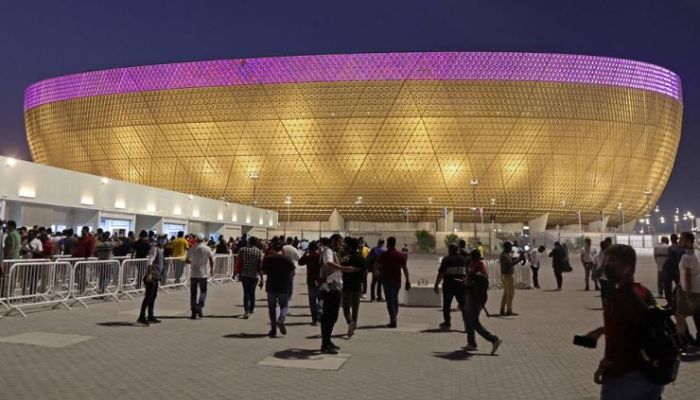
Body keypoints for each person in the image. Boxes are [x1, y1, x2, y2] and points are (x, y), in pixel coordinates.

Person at [583, 244, 664, 399]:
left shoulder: (616, 298)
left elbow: (616, 344)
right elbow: (636, 325)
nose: (607, 266)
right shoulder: (643, 291)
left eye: (612, 262)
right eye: (606, 262)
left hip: (624, 376)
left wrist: (602, 368)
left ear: (627, 267)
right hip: (651, 375)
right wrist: (602, 330)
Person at [319, 234, 354, 353]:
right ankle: (325, 344)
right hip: (330, 288)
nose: (341, 245)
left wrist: (341, 261)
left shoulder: (330, 251)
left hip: (334, 287)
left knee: (332, 317)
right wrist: (344, 268)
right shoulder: (328, 251)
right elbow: (328, 263)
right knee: (329, 317)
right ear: (334, 241)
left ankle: (327, 341)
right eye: (340, 242)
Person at [463, 249, 502, 354]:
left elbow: (467, 281)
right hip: (481, 297)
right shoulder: (481, 265)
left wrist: (466, 274)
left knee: (473, 321)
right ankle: (471, 343)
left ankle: (493, 339)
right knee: (468, 318)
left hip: (473, 298)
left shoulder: (473, 266)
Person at [375, 236, 411, 328]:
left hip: (387, 280)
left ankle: (393, 320)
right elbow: (405, 269)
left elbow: (377, 265)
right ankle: (394, 317)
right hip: (397, 281)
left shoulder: (384, 255)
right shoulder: (400, 255)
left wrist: (378, 272)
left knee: (390, 301)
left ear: (388, 244)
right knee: (394, 299)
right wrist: (407, 280)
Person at [262, 241, 295, 337]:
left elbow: (263, 270)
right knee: (284, 306)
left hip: (271, 286)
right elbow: (292, 272)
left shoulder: (268, 258)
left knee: (271, 308)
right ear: (282, 249)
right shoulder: (287, 259)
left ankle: (273, 329)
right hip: (283, 286)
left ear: (272, 249)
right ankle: (281, 319)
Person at [674, 232, 700, 348]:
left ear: (689, 241)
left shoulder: (687, 257)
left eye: (682, 239)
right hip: (697, 289)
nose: (679, 241)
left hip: (689, 291)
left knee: (680, 316)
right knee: (697, 315)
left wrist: (688, 295)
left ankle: (682, 342)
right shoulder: (697, 252)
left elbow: (688, 276)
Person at [433, 244, 467, 330]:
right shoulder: (463, 260)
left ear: (450, 250)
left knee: (447, 305)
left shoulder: (446, 259)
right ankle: (467, 324)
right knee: (463, 305)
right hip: (460, 285)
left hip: (449, 285)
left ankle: (447, 323)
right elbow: (467, 273)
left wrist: (436, 284)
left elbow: (441, 273)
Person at [137, 235, 165, 325]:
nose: (164, 240)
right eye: (162, 239)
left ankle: (150, 315)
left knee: (153, 296)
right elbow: (150, 262)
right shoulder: (155, 249)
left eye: (164, 238)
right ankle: (141, 316)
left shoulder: (161, 250)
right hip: (152, 276)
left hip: (156, 276)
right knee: (148, 296)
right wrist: (149, 274)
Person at [341, 237, 366, 338]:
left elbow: (341, 268)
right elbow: (364, 272)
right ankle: (354, 326)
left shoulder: (347, 258)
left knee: (346, 308)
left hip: (347, 285)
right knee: (355, 308)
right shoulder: (361, 258)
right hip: (357, 286)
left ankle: (350, 322)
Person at [186, 233, 214, 319]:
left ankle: (194, 312)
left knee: (193, 294)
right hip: (203, 274)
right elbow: (211, 259)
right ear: (203, 240)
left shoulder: (192, 248)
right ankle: (199, 306)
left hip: (193, 274)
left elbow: (187, 260)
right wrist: (212, 270)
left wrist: (193, 262)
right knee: (203, 291)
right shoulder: (207, 248)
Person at [238, 236, 264, 318]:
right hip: (254, 275)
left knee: (246, 293)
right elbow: (260, 267)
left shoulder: (242, 250)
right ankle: (252, 308)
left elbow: (239, 262)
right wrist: (262, 278)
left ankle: (246, 311)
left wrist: (238, 273)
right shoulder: (259, 252)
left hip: (244, 274)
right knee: (252, 292)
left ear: (249, 241)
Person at [299, 241, 322, 325]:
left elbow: (300, 262)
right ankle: (320, 314)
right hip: (320, 280)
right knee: (321, 299)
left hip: (311, 281)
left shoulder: (309, 256)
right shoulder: (320, 255)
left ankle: (314, 319)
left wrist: (305, 253)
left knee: (312, 301)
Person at [499, 241, 524, 315]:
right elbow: (510, 264)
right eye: (510, 247)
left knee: (506, 294)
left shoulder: (506, 254)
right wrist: (519, 259)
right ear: (506, 247)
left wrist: (518, 258)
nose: (511, 248)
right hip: (507, 276)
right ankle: (509, 310)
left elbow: (511, 260)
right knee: (510, 294)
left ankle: (502, 310)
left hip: (505, 275)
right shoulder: (504, 255)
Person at [662, 233, 682, 309]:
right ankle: (678, 302)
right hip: (679, 271)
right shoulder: (681, 247)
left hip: (670, 271)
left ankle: (670, 303)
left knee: (667, 288)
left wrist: (664, 267)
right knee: (680, 287)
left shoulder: (671, 248)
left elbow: (669, 260)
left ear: (671, 239)